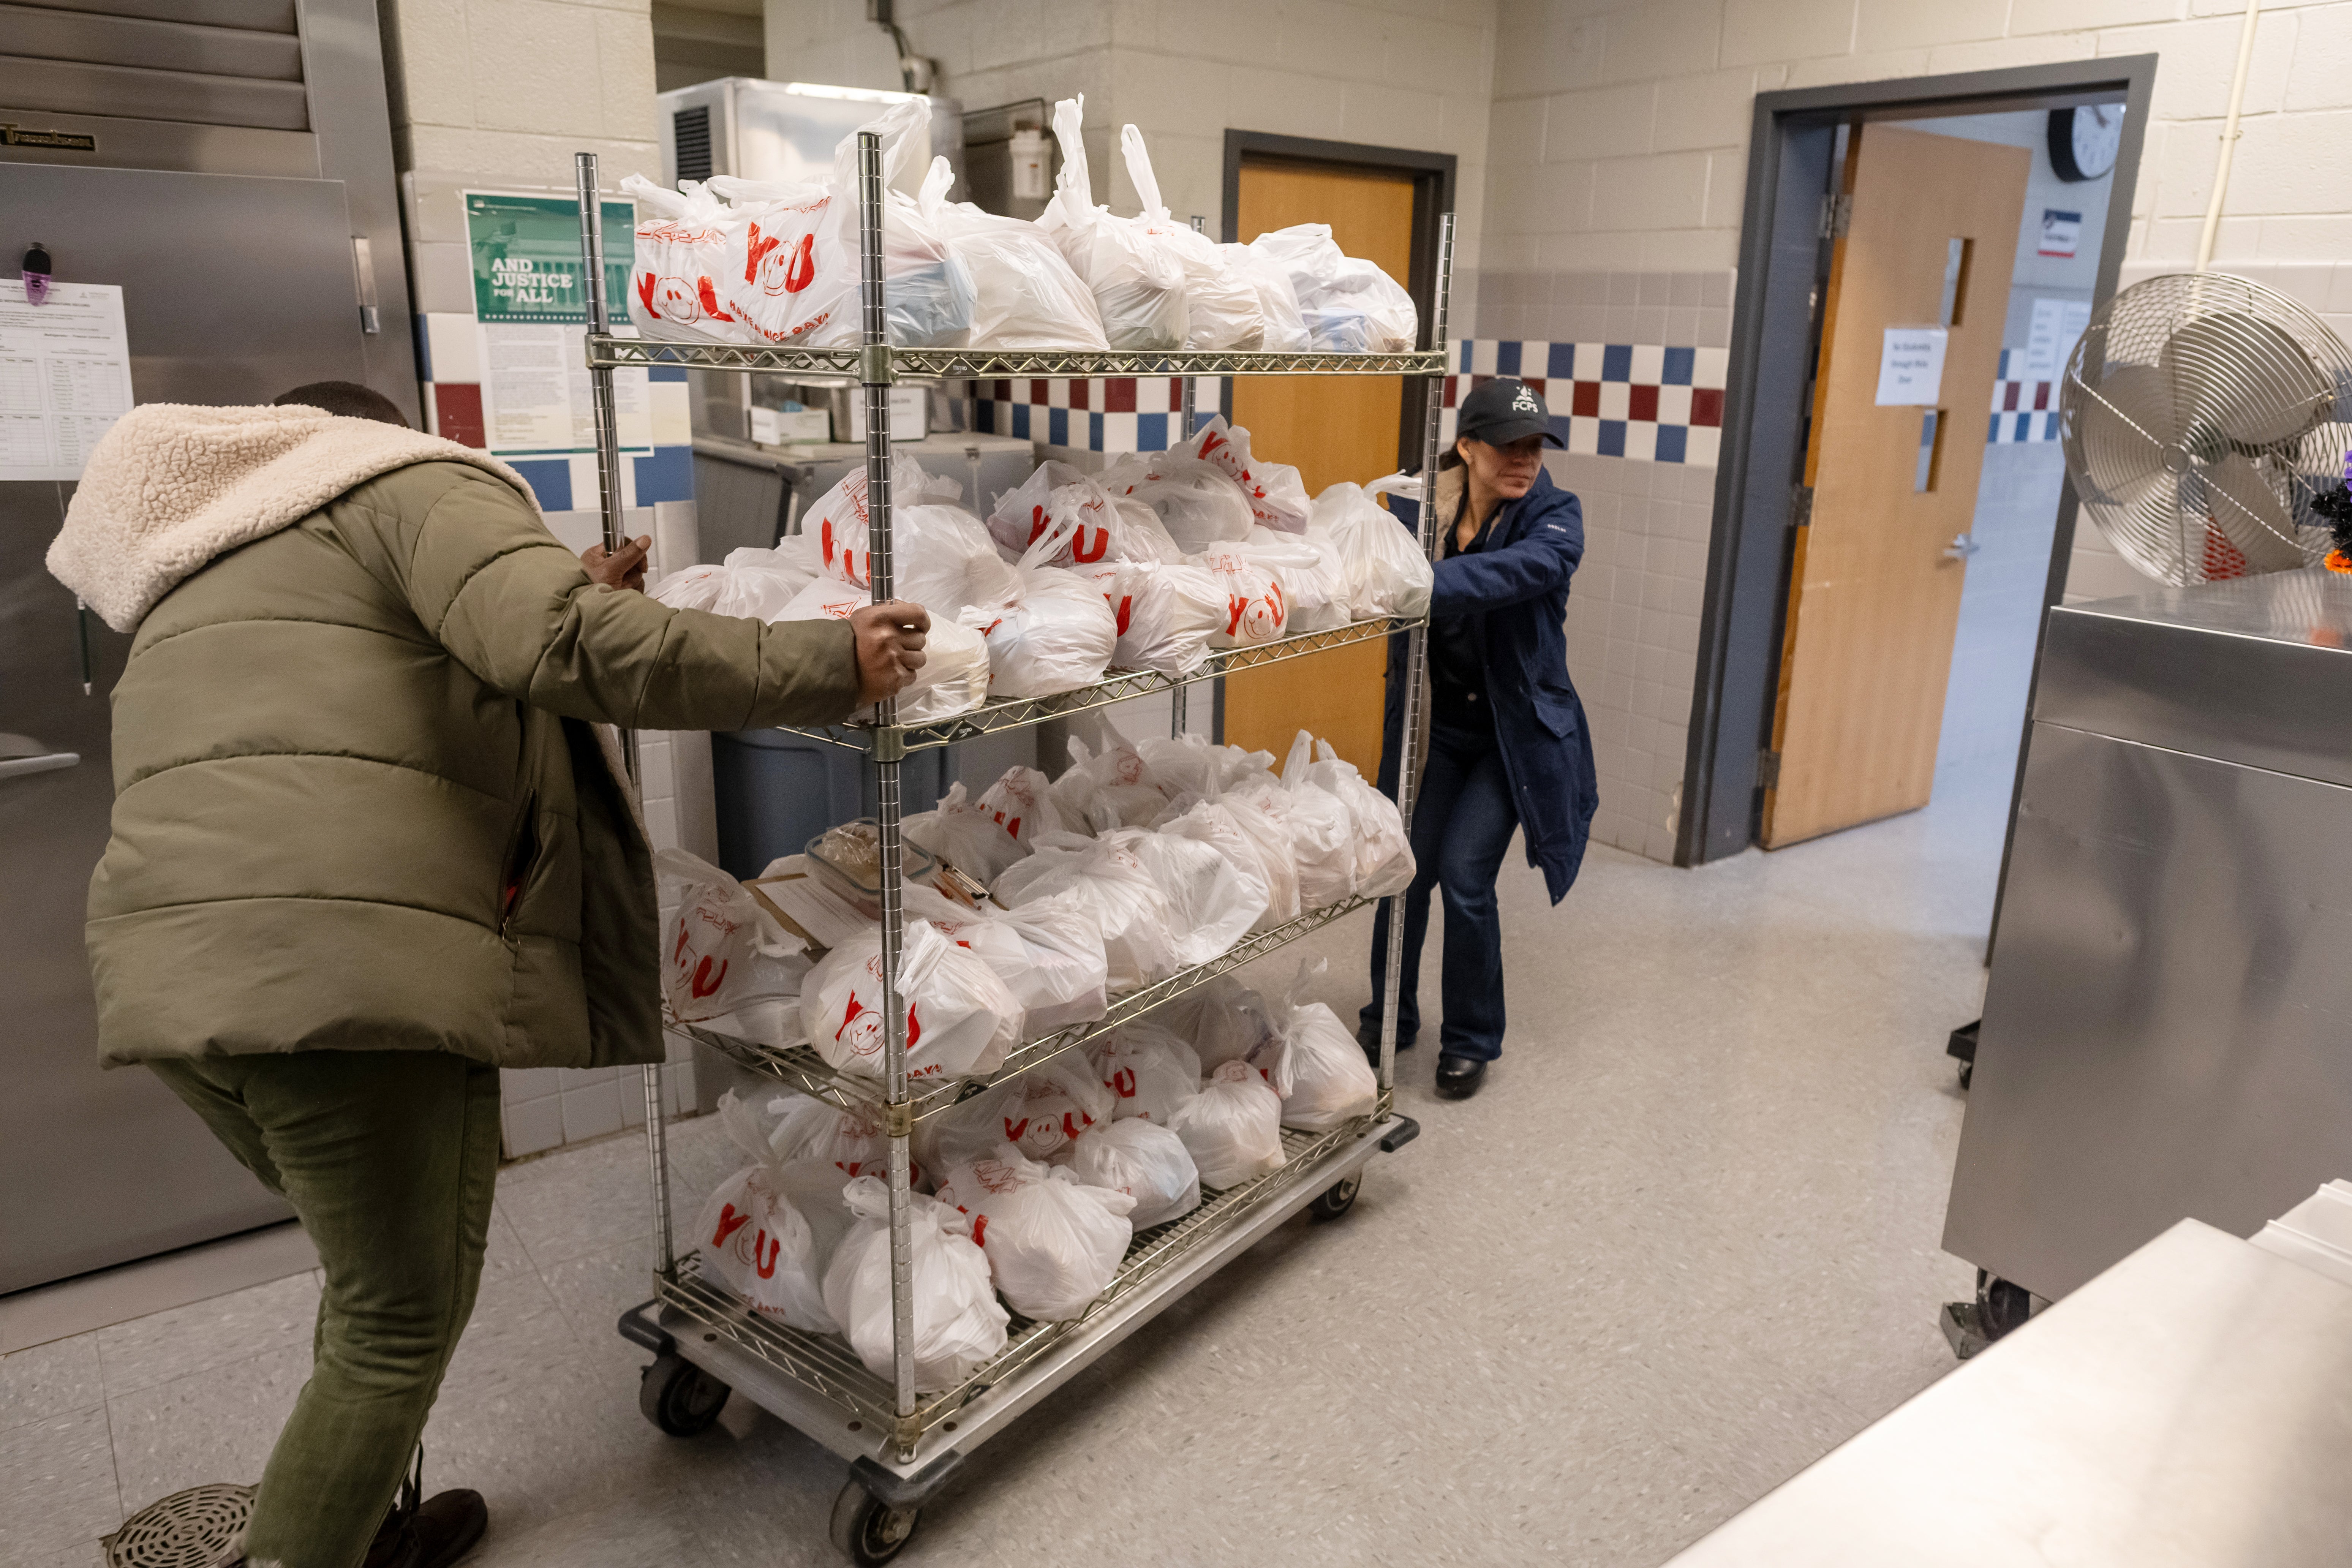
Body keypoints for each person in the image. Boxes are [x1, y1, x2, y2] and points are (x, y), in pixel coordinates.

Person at [44, 381, 929, 1568]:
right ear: (396, 431)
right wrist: (832, 661)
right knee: (395, 1317)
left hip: (175, 979)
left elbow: (401, 672)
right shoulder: (410, 478)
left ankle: (361, 1521)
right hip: (341, 973)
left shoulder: (219, 550)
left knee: (371, 1277)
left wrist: (571, 590)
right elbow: (562, 644)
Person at [1358, 376, 1599, 1101]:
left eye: (1534, 447)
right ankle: (1390, 1015)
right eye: (1507, 447)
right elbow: (1369, 566)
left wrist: (1421, 581)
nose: (1524, 461)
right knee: (1403, 873)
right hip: (1435, 733)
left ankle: (1470, 1040)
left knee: (1465, 877)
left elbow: (1528, 570)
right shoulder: (1417, 505)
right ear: (1467, 445)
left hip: (1508, 742)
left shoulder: (1555, 516)